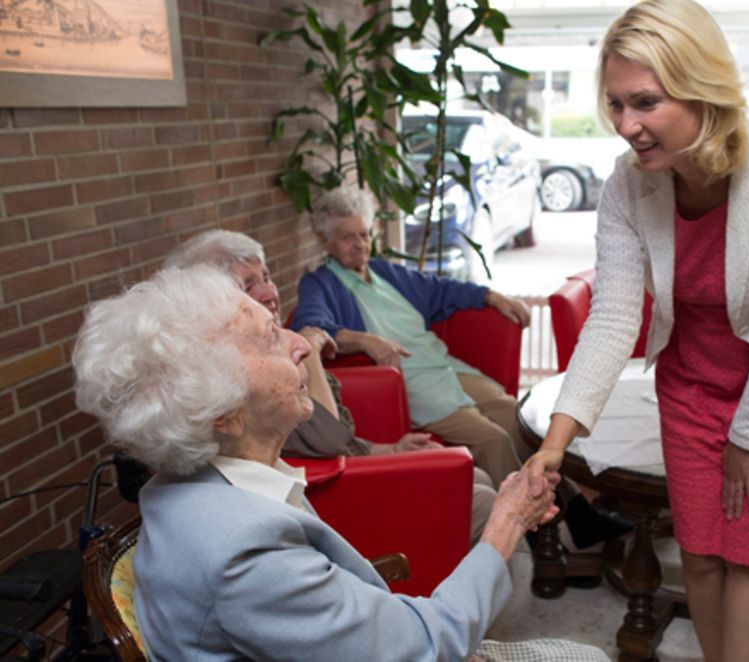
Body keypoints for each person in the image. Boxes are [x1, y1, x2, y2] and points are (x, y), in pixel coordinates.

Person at [523, 1, 749, 660]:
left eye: (644, 102)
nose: (625, 126)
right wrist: (555, 443)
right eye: (615, 105)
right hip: (693, 383)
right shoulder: (627, 184)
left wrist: (747, 436)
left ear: (703, 92)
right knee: (701, 555)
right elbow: (615, 313)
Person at [72, 265, 612, 661]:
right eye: (269, 339)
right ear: (222, 413)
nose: (300, 344)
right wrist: (507, 522)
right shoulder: (243, 552)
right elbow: (425, 645)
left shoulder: (179, 488)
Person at [293, 184, 632, 552]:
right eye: (347, 238)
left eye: (363, 234)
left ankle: (576, 511)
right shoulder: (320, 284)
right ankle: (543, 532)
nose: (360, 244)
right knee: (494, 439)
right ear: (326, 242)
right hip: (406, 383)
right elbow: (310, 328)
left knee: (517, 417)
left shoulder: (384, 273)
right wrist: (362, 339)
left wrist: (491, 296)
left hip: (443, 367)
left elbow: (441, 289)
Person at [164, 230, 496, 543]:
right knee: (480, 496)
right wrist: (310, 346)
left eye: (266, 278)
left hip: (344, 473)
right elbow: (328, 439)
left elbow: (318, 440)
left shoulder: (264, 353)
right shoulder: (242, 380)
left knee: (474, 477)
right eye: (249, 287)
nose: (269, 293)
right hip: (333, 500)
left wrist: (392, 449)